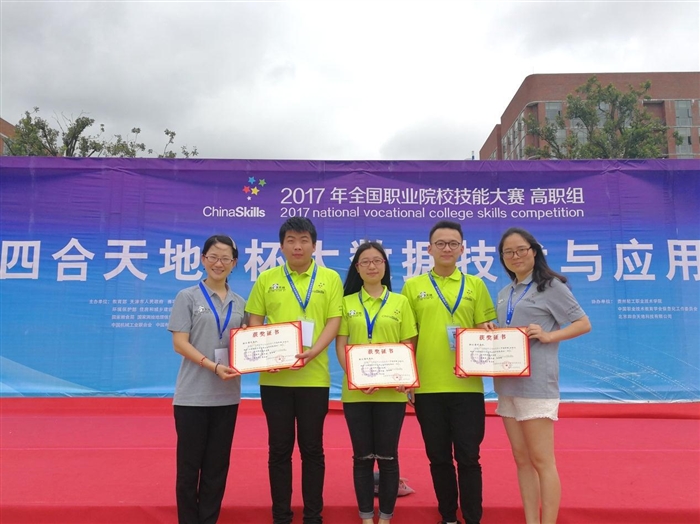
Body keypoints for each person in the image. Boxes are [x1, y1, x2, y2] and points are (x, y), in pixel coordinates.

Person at [245, 217, 343, 524]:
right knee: (279, 449)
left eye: (303, 240)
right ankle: (281, 516)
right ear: (281, 246)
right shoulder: (267, 279)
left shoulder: (330, 278)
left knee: (312, 449)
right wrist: (264, 357)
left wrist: (315, 351)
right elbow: (255, 319)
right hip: (275, 379)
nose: (297, 246)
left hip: (314, 379)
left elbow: (334, 321)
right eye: (290, 240)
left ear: (314, 245)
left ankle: (313, 515)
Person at [401, 220, 497, 524]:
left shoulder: (475, 285)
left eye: (453, 243)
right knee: (439, 457)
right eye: (440, 243)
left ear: (462, 249)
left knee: (469, 457)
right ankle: (448, 517)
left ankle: (472, 518)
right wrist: (409, 378)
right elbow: (409, 337)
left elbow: (484, 328)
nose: (446, 248)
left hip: (467, 386)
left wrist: (492, 335)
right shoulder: (413, 287)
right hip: (428, 387)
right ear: (429, 249)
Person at [494, 228, 591, 524]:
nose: (515, 256)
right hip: (507, 384)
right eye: (508, 252)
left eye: (521, 250)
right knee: (521, 459)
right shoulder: (505, 293)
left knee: (541, 460)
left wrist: (549, 336)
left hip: (536, 384)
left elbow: (582, 323)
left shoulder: (550, 286)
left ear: (534, 252)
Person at [335, 242, 418, 524]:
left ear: (385, 266)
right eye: (365, 262)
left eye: (377, 261)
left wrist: (405, 378)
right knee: (361, 457)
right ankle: (366, 517)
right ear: (357, 268)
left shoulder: (400, 302)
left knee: (388, 457)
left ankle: (385, 517)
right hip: (356, 393)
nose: (372, 266)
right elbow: (341, 345)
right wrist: (355, 377)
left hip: (391, 394)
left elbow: (408, 344)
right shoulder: (346, 303)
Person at [168, 234, 247, 524]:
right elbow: (180, 343)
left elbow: (249, 344)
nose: (219, 263)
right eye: (213, 257)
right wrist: (212, 366)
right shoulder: (187, 297)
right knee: (189, 468)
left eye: (226, 258)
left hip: (227, 397)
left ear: (234, 263)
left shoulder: (241, 303)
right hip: (192, 396)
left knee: (217, 468)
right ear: (203, 259)